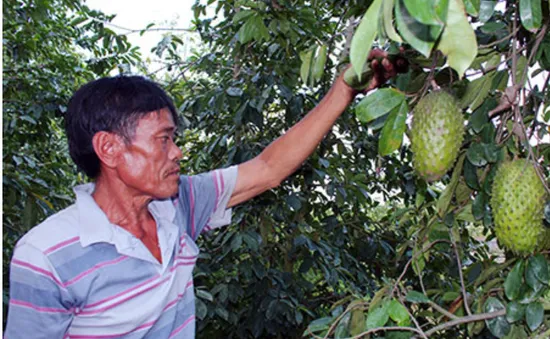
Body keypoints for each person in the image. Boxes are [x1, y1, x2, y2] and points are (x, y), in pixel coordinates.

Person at [4, 50, 399, 338]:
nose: (177, 153)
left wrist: (343, 91)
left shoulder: (179, 205)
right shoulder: (46, 256)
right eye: (163, 140)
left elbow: (267, 169)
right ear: (109, 148)